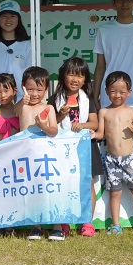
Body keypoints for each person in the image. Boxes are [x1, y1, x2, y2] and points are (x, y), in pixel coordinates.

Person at [92, 71, 133, 236]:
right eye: (113, 91)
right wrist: (91, 134)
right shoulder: (103, 112)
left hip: (130, 159)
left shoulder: (132, 111)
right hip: (111, 160)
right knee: (115, 192)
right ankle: (116, 225)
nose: (117, 95)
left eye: (122, 92)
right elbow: (100, 134)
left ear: (129, 92)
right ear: (106, 91)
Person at [49, 57, 101, 238]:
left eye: (80, 75)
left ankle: (87, 221)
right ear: (63, 76)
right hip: (62, 149)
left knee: (87, 184)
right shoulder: (54, 99)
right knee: (63, 184)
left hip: (85, 147)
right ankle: (63, 221)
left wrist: (83, 125)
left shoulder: (89, 100)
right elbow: (50, 125)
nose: (75, 79)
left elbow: (94, 123)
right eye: (71, 74)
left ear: (85, 79)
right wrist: (60, 114)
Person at [16, 66, 61, 241]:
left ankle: (57, 225)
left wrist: (42, 126)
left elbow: (54, 131)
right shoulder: (23, 106)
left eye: (39, 90)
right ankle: (37, 225)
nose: (35, 93)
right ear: (23, 88)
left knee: (51, 189)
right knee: (33, 190)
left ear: (46, 90)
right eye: (30, 89)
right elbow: (15, 110)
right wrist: (23, 99)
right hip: (27, 156)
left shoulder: (48, 107)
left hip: (46, 156)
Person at [0, 0, 32, 110]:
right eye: (4, 16)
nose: (8, 20)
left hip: (21, 99)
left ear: (18, 19)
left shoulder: (28, 45)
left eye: (13, 16)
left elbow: (31, 74)